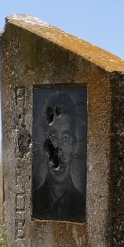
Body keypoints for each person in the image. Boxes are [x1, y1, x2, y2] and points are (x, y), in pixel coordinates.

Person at [32, 91, 86, 221]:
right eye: (53, 138)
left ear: (74, 145)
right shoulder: (33, 202)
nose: (58, 151)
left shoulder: (84, 205)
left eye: (66, 139)